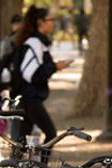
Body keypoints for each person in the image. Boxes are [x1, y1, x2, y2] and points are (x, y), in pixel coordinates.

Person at [15, 6, 71, 152]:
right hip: (30, 98)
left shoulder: (39, 43)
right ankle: (41, 166)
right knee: (51, 134)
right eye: (50, 19)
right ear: (40, 22)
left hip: (29, 97)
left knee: (22, 139)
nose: (53, 22)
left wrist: (54, 67)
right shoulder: (34, 43)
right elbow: (30, 74)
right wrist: (55, 67)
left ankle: (16, 164)